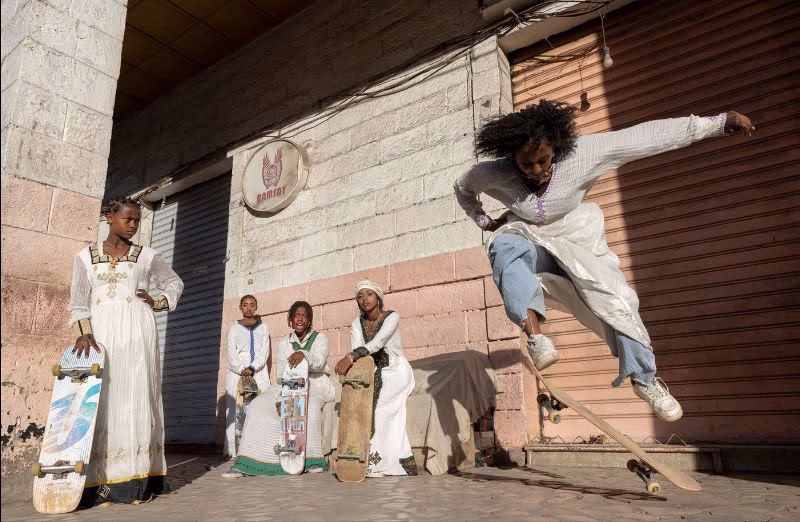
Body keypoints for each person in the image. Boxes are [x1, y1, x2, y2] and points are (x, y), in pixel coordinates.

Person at [454, 100, 756, 422]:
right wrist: (484, 221)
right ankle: (537, 338)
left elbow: (645, 137)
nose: (537, 171)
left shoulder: (585, 153)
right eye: (527, 165)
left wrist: (719, 123)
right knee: (504, 247)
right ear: (512, 157)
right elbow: (462, 187)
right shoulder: (494, 172)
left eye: (543, 161)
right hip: (529, 236)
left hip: (578, 237)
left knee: (619, 300)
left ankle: (644, 378)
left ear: (556, 147)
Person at [69, 197, 184, 505]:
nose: (133, 225)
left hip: (138, 334)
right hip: (102, 336)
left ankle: (136, 477)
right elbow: (79, 302)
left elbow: (174, 283)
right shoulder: (84, 257)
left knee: (135, 397)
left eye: (138, 221)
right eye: (128, 219)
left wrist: (156, 301)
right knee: (103, 399)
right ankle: (95, 481)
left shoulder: (147, 256)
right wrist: (84, 334)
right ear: (110, 217)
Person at [223, 301, 334, 477]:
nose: (300, 319)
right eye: (296, 315)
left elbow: (319, 363)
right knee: (257, 405)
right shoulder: (284, 344)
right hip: (288, 386)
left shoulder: (320, 338)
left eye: (304, 315)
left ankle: (312, 460)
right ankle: (248, 463)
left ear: (309, 320)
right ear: (290, 319)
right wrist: (280, 399)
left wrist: (303, 354)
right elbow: (282, 375)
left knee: (309, 407)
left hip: (314, 384)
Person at [334, 280, 418, 477]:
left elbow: (378, 343)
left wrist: (352, 356)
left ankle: (380, 461)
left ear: (378, 298)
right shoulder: (356, 324)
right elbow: (358, 350)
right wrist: (354, 358)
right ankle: (362, 458)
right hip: (370, 370)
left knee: (379, 407)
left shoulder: (392, 317)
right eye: (360, 296)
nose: (364, 299)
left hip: (395, 369)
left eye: (369, 294)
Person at [224, 295, 270, 459]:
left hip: (258, 372)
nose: (248, 308)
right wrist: (242, 369)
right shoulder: (234, 328)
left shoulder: (263, 328)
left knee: (259, 408)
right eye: (245, 305)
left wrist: (252, 368)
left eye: (252, 305)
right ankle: (234, 451)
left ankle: (258, 449)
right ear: (240, 307)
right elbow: (231, 351)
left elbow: (264, 351)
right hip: (237, 373)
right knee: (237, 410)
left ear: (256, 307)